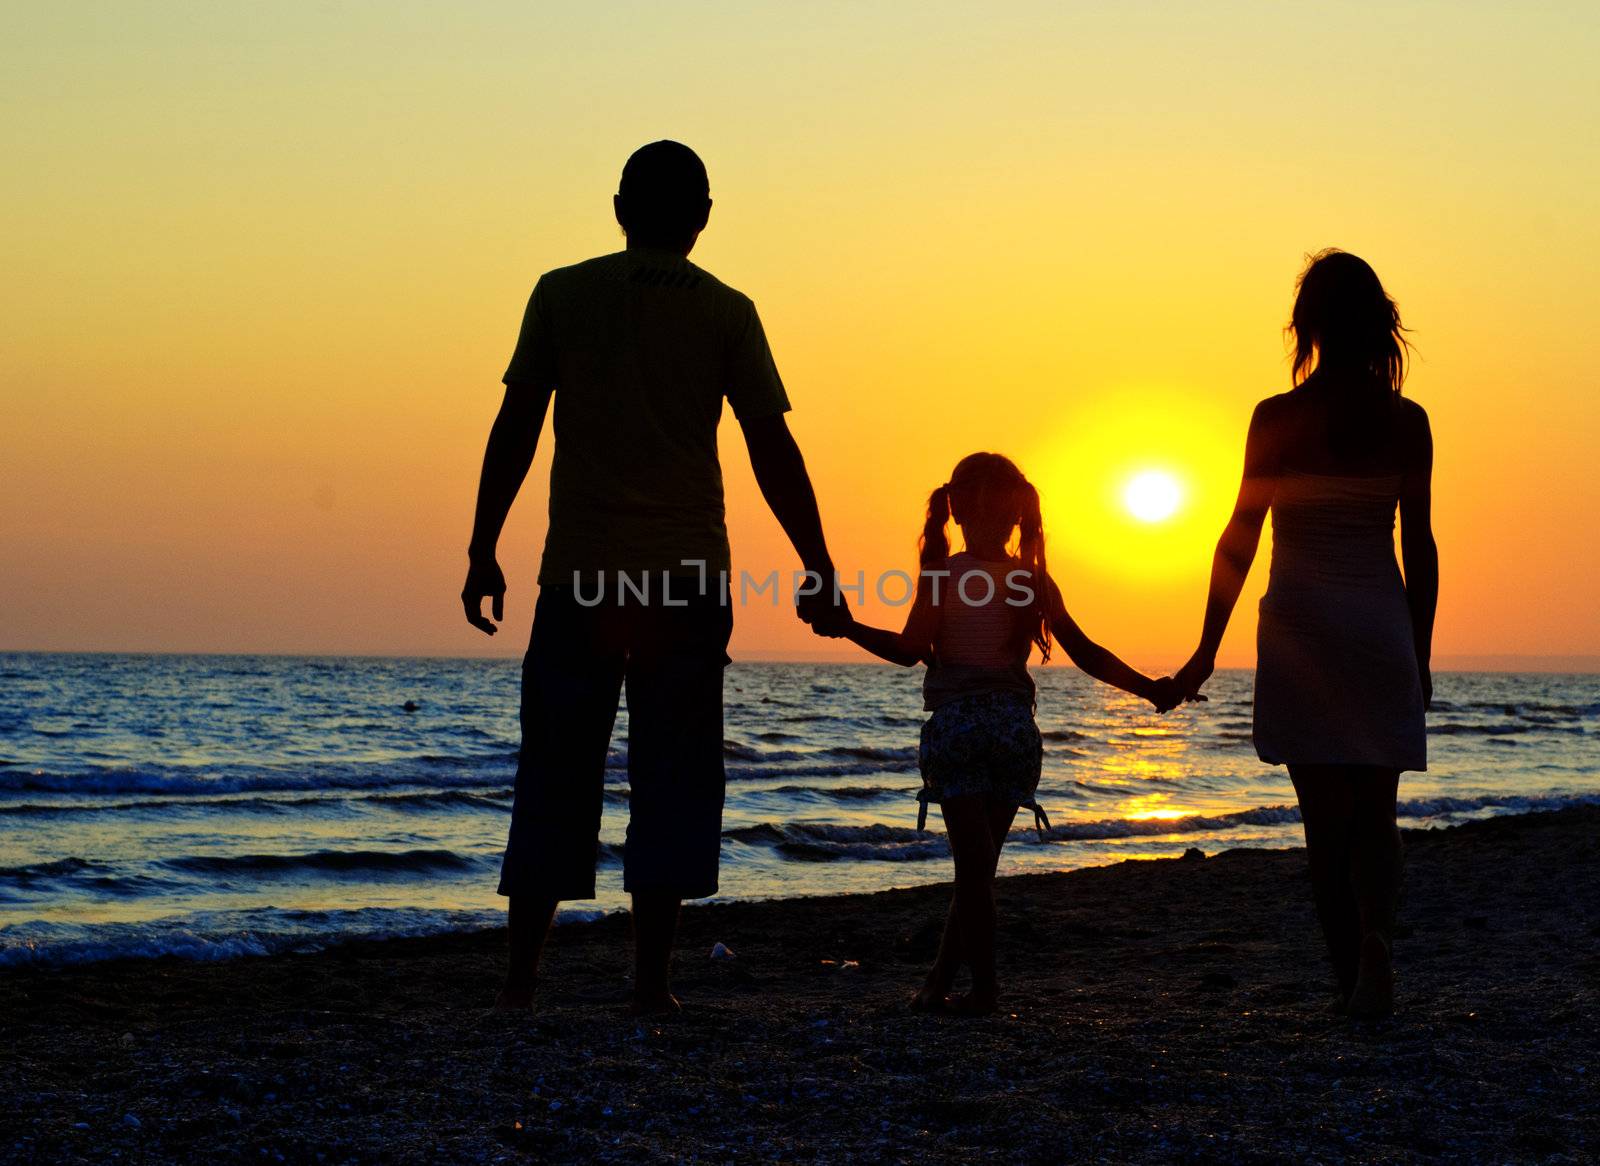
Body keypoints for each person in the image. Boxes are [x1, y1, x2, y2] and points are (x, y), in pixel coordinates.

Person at [462, 141, 845, 1015]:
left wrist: (484, 548)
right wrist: (817, 565)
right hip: (684, 584)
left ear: (618, 207)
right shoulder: (726, 309)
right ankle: (652, 986)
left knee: (557, 770)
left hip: (580, 582)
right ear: (702, 217)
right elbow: (770, 448)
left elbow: (516, 424)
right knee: (673, 776)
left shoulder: (563, 291)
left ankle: (522, 984)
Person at [1172, 249, 1437, 1018]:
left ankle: (1348, 977)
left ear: (1307, 326)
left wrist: (1205, 650)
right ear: (1380, 324)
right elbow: (1418, 546)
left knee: (1326, 828)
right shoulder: (1406, 422)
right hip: (1380, 626)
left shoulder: (1277, 418)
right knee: (1376, 813)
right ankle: (1378, 938)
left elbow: (1239, 538)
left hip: (1303, 631)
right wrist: (1417, 654)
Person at [818, 452, 1180, 1015]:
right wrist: (1151, 689)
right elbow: (1086, 653)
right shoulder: (1030, 578)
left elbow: (910, 651)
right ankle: (940, 982)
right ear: (1017, 515)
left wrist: (847, 628)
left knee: (973, 875)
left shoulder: (943, 573)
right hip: (1014, 732)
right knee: (978, 875)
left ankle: (983, 991)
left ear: (955, 508)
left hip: (959, 729)